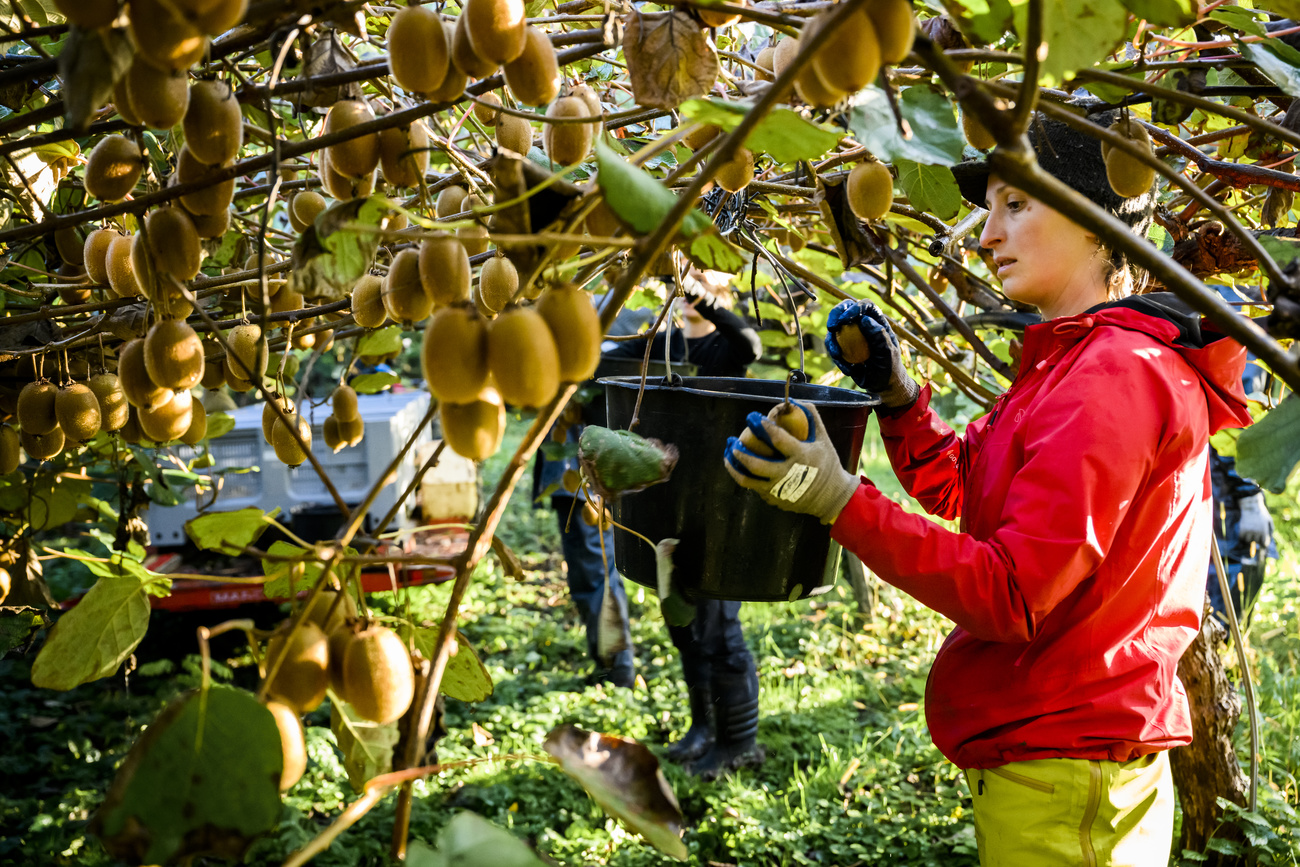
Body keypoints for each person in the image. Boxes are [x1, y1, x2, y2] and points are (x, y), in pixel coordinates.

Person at [723, 111, 1253, 865]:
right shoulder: (1076, 359)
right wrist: (899, 398)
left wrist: (839, 499)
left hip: (1070, 777)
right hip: (1063, 761)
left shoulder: (1112, 375)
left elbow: (1012, 594)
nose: (985, 235)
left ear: (1092, 218)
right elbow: (967, 488)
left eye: (1016, 204)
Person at [608, 269, 767, 776]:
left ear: (721, 288)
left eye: (700, 278)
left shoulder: (725, 347)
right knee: (684, 626)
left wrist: (704, 298)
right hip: (667, 505)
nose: (687, 288)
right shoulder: (662, 345)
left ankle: (738, 741)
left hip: (720, 507)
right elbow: (603, 360)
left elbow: (751, 345)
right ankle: (703, 728)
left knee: (720, 630)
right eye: (682, 279)